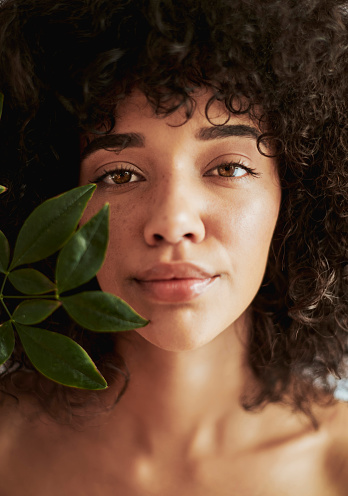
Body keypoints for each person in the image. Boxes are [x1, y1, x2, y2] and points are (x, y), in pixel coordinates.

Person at [0, 0, 347, 494]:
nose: (173, 222)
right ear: (53, 204)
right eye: (119, 174)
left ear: (296, 194)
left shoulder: (338, 465)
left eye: (228, 168)